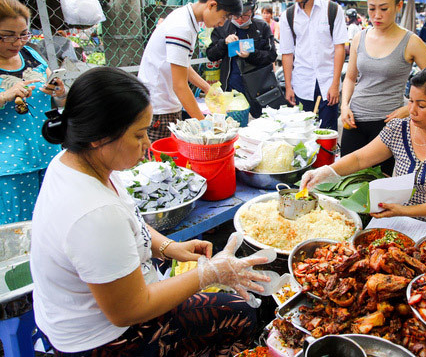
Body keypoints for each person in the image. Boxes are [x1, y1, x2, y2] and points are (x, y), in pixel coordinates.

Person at [31, 67, 270, 356]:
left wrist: (169, 247)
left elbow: (130, 222)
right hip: (106, 340)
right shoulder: (94, 214)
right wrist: (210, 274)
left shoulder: (77, 161)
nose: (147, 144)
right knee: (242, 315)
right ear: (98, 137)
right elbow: (129, 310)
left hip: (100, 313)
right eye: (139, 134)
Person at [302, 67, 426, 232]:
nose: (412, 110)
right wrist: (326, 171)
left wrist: (404, 210)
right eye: (410, 101)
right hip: (405, 219)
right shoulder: (399, 128)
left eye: (421, 105)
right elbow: (360, 158)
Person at [340, 0, 426, 176]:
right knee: (345, 180)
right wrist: (344, 106)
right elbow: (350, 78)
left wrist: (409, 109)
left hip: (388, 124)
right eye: (372, 8)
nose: (377, 15)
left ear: (398, 6)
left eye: (384, 9)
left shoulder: (411, 42)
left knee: (378, 185)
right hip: (354, 120)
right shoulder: (360, 37)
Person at [139, 0, 243, 143]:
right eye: (223, 16)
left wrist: (208, 89)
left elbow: (182, 66)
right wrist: (206, 130)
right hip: (159, 108)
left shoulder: (185, 19)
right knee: (162, 164)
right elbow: (180, 85)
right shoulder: (182, 28)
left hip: (163, 104)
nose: (222, 23)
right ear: (212, 5)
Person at [0, 0, 65, 224]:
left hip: (48, 153)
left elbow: (55, 101)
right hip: (11, 167)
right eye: (7, 37)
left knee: (53, 223)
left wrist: (59, 93)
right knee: (19, 228)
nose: (17, 43)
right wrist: (5, 96)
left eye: (23, 34)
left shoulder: (31, 55)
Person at [280, 0, 347, 130]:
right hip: (302, 83)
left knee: (327, 134)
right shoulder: (288, 16)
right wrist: (288, 86)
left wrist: (335, 83)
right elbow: (287, 53)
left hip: (327, 83)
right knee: (303, 133)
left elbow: (340, 48)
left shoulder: (332, 10)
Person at [206, 0, 277, 118]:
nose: (239, 20)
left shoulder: (261, 28)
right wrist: (224, 43)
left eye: (244, 16)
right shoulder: (222, 27)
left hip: (257, 90)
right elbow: (211, 55)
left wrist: (251, 55)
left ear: (252, 12)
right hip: (230, 90)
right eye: (236, 16)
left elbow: (271, 55)